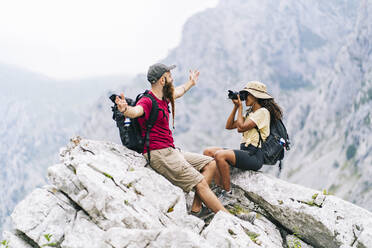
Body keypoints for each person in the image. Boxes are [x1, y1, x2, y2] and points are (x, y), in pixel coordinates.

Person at [115, 63, 228, 216]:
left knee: (211, 164)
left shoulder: (163, 97)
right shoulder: (147, 101)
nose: (172, 79)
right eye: (169, 76)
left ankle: (196, 209)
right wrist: (125, 110)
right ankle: (230, 219)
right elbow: (136, 111)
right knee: (200, 183)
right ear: (163, 80)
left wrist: (191, 83)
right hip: (159, 154)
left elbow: (179, 91)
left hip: (171, 151)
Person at [204, 81, 283, 198]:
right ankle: (217, 188)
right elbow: (229, 126)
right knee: (208, 151)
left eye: (247, 94)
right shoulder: (251, 113)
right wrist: (236, 107)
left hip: (255, 155)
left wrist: (240, 107)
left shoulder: (263, 112)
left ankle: (227, 194)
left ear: (256, 97)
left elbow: (241, 128)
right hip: (245, 151)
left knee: (220, 155)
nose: (245, 97)